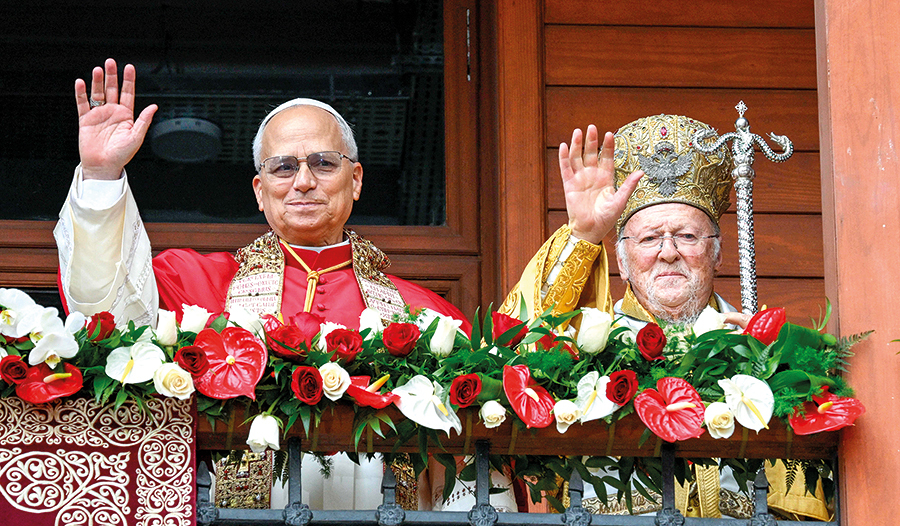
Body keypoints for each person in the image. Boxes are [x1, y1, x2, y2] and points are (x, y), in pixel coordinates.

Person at [53, 58, 501, 512]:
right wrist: (102, 177)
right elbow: (106, 313)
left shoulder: (424, 314)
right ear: (259, 191)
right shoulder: (192, 284)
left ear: (357, 179)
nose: (303, 182)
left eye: (324, 163)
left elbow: (476, 457)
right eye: (283, 167)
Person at [502, 114, 827, 520]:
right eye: (650, 238)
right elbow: (517, 348)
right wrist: (583, 236)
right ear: (621, 259)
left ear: (718, 253)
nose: (669, 252)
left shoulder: (762, 346)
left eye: (688, 236)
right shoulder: (588, 340)